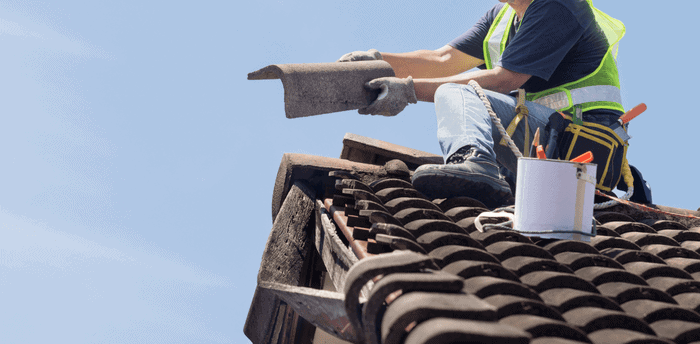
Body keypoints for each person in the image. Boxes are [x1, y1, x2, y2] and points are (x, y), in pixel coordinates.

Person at [338, 0, 626, 208]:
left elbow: (504, 80)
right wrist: (378, 62)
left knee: (459, 92)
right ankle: (482, 172)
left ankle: (475, 162)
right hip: (540, 143)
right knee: (458, 91)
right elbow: (442, 60)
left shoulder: (559, 5)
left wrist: (407, 91)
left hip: (577, 149)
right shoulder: (500, 18)